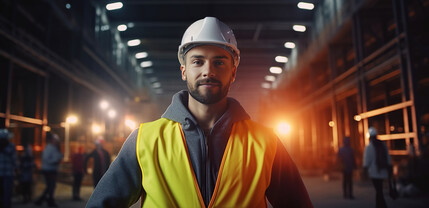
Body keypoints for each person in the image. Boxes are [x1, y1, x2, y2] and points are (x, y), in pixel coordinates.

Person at [86, 17, 313, 207]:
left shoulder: (265, 142)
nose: (208, 71)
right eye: (198, 61)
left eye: (219, 63)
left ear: (233, 72)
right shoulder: (145, 140)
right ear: (184, 71)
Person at [363, 127, 392, 208]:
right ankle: (380, 205)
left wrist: (365, 170)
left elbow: (367, 160)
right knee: (379, 189)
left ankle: (381, 205)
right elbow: (388, 157)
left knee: (378, 190)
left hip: (374, 172)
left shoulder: (369, 147)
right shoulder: (383, 145)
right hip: (383, 171)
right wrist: (389, 167)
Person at [35, 132, 63, 207]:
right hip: (48, 170)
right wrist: (55, 161)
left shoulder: (55, 148)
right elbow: (46, 159)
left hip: (52, 169)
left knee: (51, 186)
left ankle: (42, 200)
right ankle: (48, 200)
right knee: (51, 186)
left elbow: (59, 156)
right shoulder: (49, 148)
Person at [0, 129, 17, 208]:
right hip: (8, 173)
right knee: (7, 192)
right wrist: (17, 169)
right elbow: (14, 160)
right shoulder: (11, 146)